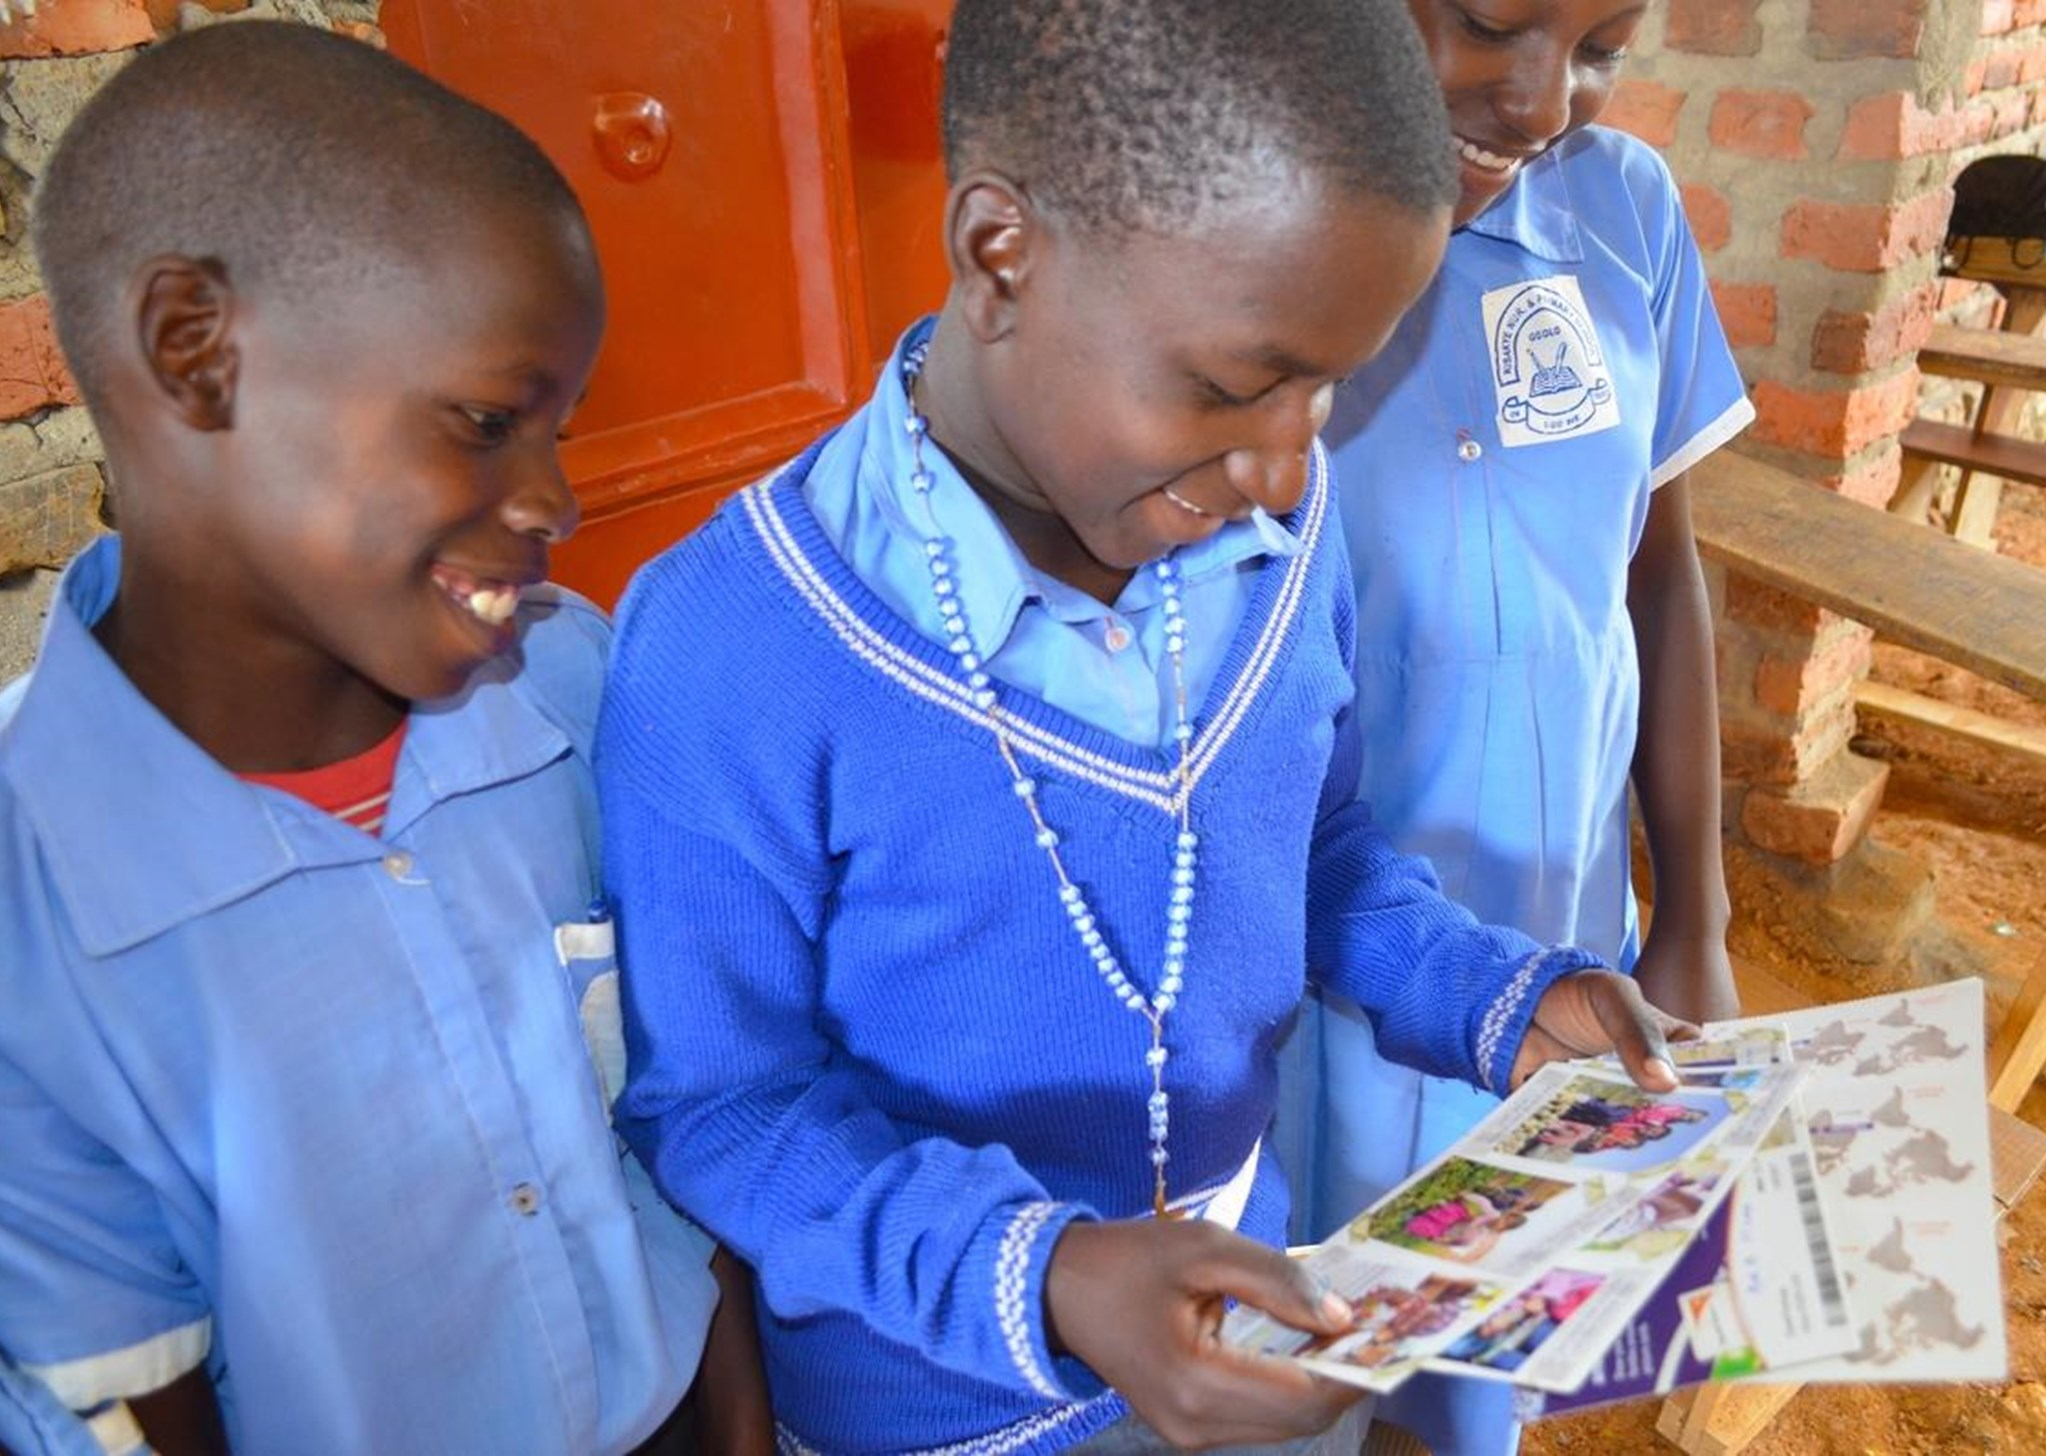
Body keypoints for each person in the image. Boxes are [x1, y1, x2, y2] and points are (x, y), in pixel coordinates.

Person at [598, 2, 1692, 1452]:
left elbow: (1316, 857)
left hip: (1269, 1346)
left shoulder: (1276, 539)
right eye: (1239, 387)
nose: (1295, 467)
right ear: (1002, 257)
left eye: (1330, 388)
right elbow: (728, 1108)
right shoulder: (731, 643)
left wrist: (1494, 998)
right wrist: (1043, 1277)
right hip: (938, 1417)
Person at [0, 24, 767, 1455]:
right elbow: (126, 1396)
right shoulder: (29, 910)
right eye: (486, 421)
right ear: (196, 352)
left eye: (560, 428)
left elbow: (696, 1123)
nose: (553, 500)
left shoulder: (571, 689)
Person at [1276, 0, 1754, 1447]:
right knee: (1299, 1367)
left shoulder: (1626, 212)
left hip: (1561, 957)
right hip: (1317, 982)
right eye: (1491, 22)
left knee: (1481, 1362)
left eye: (1606, 41)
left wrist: (1695, 917)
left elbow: (1654, 572)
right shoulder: (1244, 230)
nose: (1546, 98)